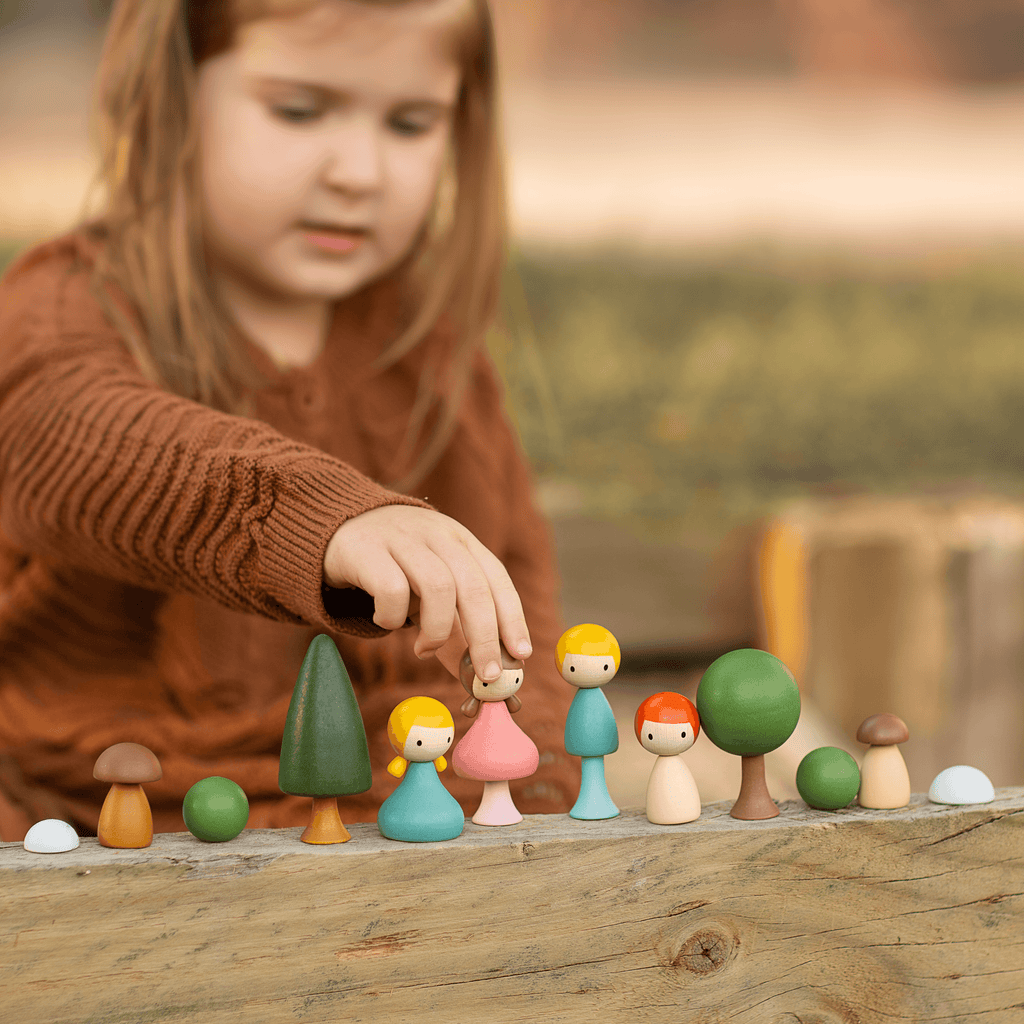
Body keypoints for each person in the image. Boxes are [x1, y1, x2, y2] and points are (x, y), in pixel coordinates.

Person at [0, 0, 579, 842]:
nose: (360, 172)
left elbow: (525, 612)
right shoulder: (60, 310)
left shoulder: (428, 349)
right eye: (299, 110)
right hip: (90, 832)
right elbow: (74, 440)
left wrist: (537, 770)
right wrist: (327, 517)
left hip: (389, 840)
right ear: (170, 98)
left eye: (412, 123)